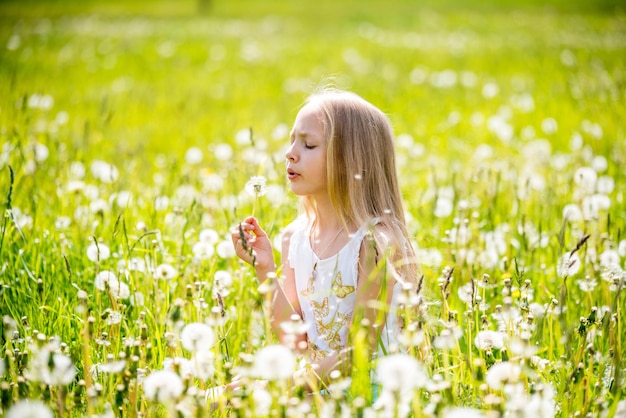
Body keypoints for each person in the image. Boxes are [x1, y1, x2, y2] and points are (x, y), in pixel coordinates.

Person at [231, 87, 418, 392]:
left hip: (369, 397)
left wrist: (273, 389)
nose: (290, 153)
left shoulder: (375, 243)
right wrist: (264, 268)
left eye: (309, 144)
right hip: (315, 389)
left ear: (349, 161)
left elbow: (357, 355)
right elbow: (296, 341)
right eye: (292, 140)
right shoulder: (294, 237)